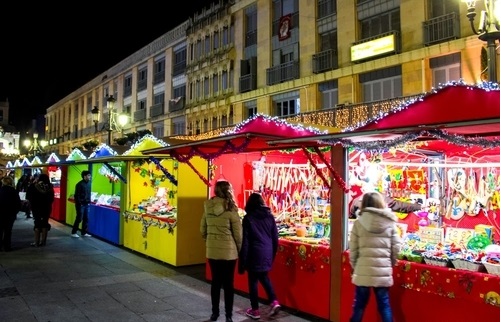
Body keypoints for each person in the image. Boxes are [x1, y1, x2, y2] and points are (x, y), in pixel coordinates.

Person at [349, 191, 401, 322]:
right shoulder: (390, 223)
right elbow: (396, 248)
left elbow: (353, 250)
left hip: (362, 270)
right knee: (384, 306)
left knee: (359, 306)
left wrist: (356, 267)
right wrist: (390, 263)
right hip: (382, 271)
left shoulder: (358, 223)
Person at [200, 180, 242, 322]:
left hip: (212, 251)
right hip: (229, 252)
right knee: (228, 284)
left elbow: (202, 229)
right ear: (228, 190)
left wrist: (210, 241)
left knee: (216, 282)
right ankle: (228, 316)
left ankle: (214, 313)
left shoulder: (208, 207)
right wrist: (239, 249)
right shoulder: (231, 209)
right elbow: (238, 234)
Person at [238, 192, 281, 320]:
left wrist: (242, 262)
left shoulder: (248, 219)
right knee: (264, 277)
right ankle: (274, 302)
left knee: (253, 282)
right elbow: (275, 239)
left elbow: (245, 242)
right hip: (267, 252)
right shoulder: (270, 217)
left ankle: (255, 310)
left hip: (254, 253)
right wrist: (272, 255)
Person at [26, 173, 55, 247]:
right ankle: (43, 242)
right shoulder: (50, 187)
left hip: (36, 208)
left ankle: (36, 242)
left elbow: (29, 197)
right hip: (47, 208)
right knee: (45, 223)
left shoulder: (34, 186)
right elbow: (52, 199)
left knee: (37, 223)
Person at [349, 193, 423, 219]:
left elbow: (352, 215)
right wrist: (419, 207)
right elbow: (398, 205)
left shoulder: (356, 201)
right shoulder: (381, 198)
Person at [0, 176, 21, 251]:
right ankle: (7, 246)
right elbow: (18, 203)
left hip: (1, 213)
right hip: (10, 214)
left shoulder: (1, 190)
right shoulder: (13, 191)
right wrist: (15, 211)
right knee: (8, 231)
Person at [71, 170, 92, 238]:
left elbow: (88, 193)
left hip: (87, 204)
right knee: (79, 218)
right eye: (88, 175)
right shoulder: (79, 184)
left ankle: (84, 232)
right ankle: (74, 232)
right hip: (81, 204)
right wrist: (80, 203)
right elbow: (77, 195)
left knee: (86, 218)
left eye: (90, 175)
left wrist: (89, 202)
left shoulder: (89, 183)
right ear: (84, 176)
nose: (90, 176)